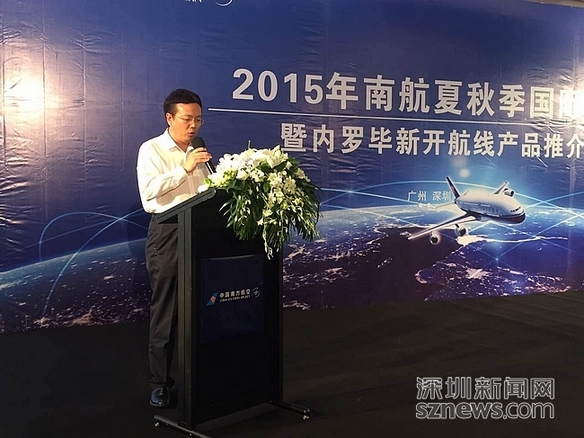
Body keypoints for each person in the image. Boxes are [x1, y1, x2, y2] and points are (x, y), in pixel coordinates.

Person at [136, 88, 212, 407]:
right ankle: (161, 383)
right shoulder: (152, 149)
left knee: (201, 309)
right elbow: (149, 195)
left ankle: (197, 376)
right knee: (167, 312)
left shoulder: (198, 150)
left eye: (198, 119)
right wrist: (184, 168)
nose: (193, 126)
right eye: (187, 119)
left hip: (200, 233)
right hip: (168, 235)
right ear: (170, 117)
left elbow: (207, 192)